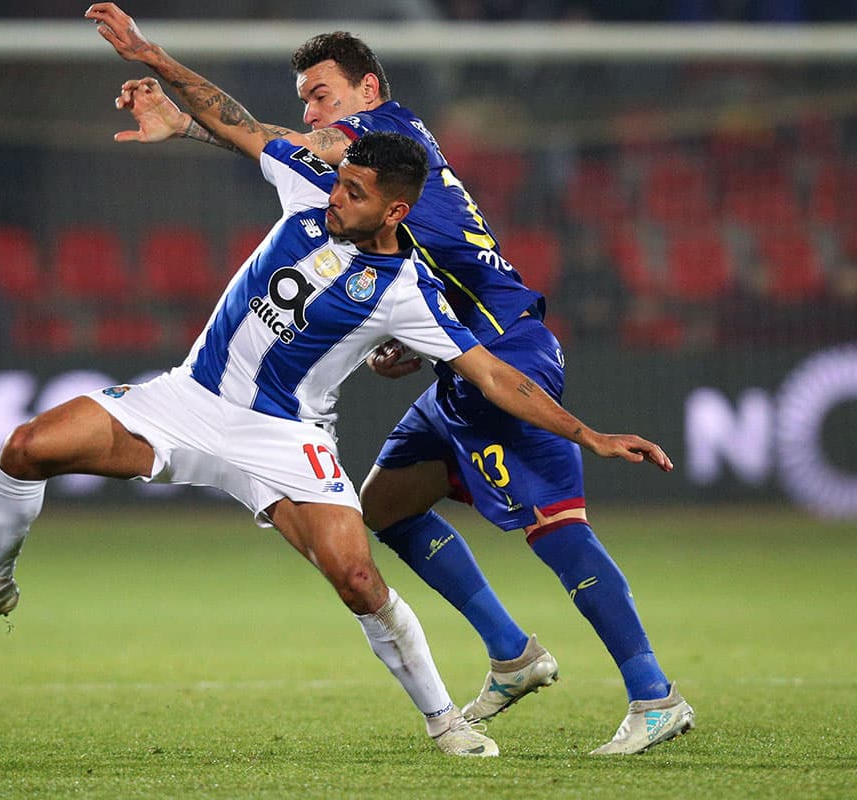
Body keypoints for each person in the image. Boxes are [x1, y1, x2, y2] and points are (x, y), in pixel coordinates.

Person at [0, 127, 672, 759]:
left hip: (285, 439)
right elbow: (235, 124)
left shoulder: (407, 292)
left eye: (355, 192)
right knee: (28, 446)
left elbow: (495, 376)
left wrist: (589, 434)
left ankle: (445, 721)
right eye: (339, 183)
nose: (337, 196)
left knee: (357, 578)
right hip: (187, 400)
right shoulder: (308, 191)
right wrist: (159, 75)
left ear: (395, 210)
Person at [85, 2, 695, 755]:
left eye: (321, 95)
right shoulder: (379, 167)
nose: (311, 113)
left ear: (368, 89)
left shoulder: (383, 135)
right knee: (383, 507)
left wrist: (154, 59)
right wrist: (184, 126)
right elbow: (279, 152)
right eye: (305, 100)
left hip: (505, 354)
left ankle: (654, 694)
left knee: (557, 527)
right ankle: (513, 654)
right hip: (460, 360)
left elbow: (268, 138)